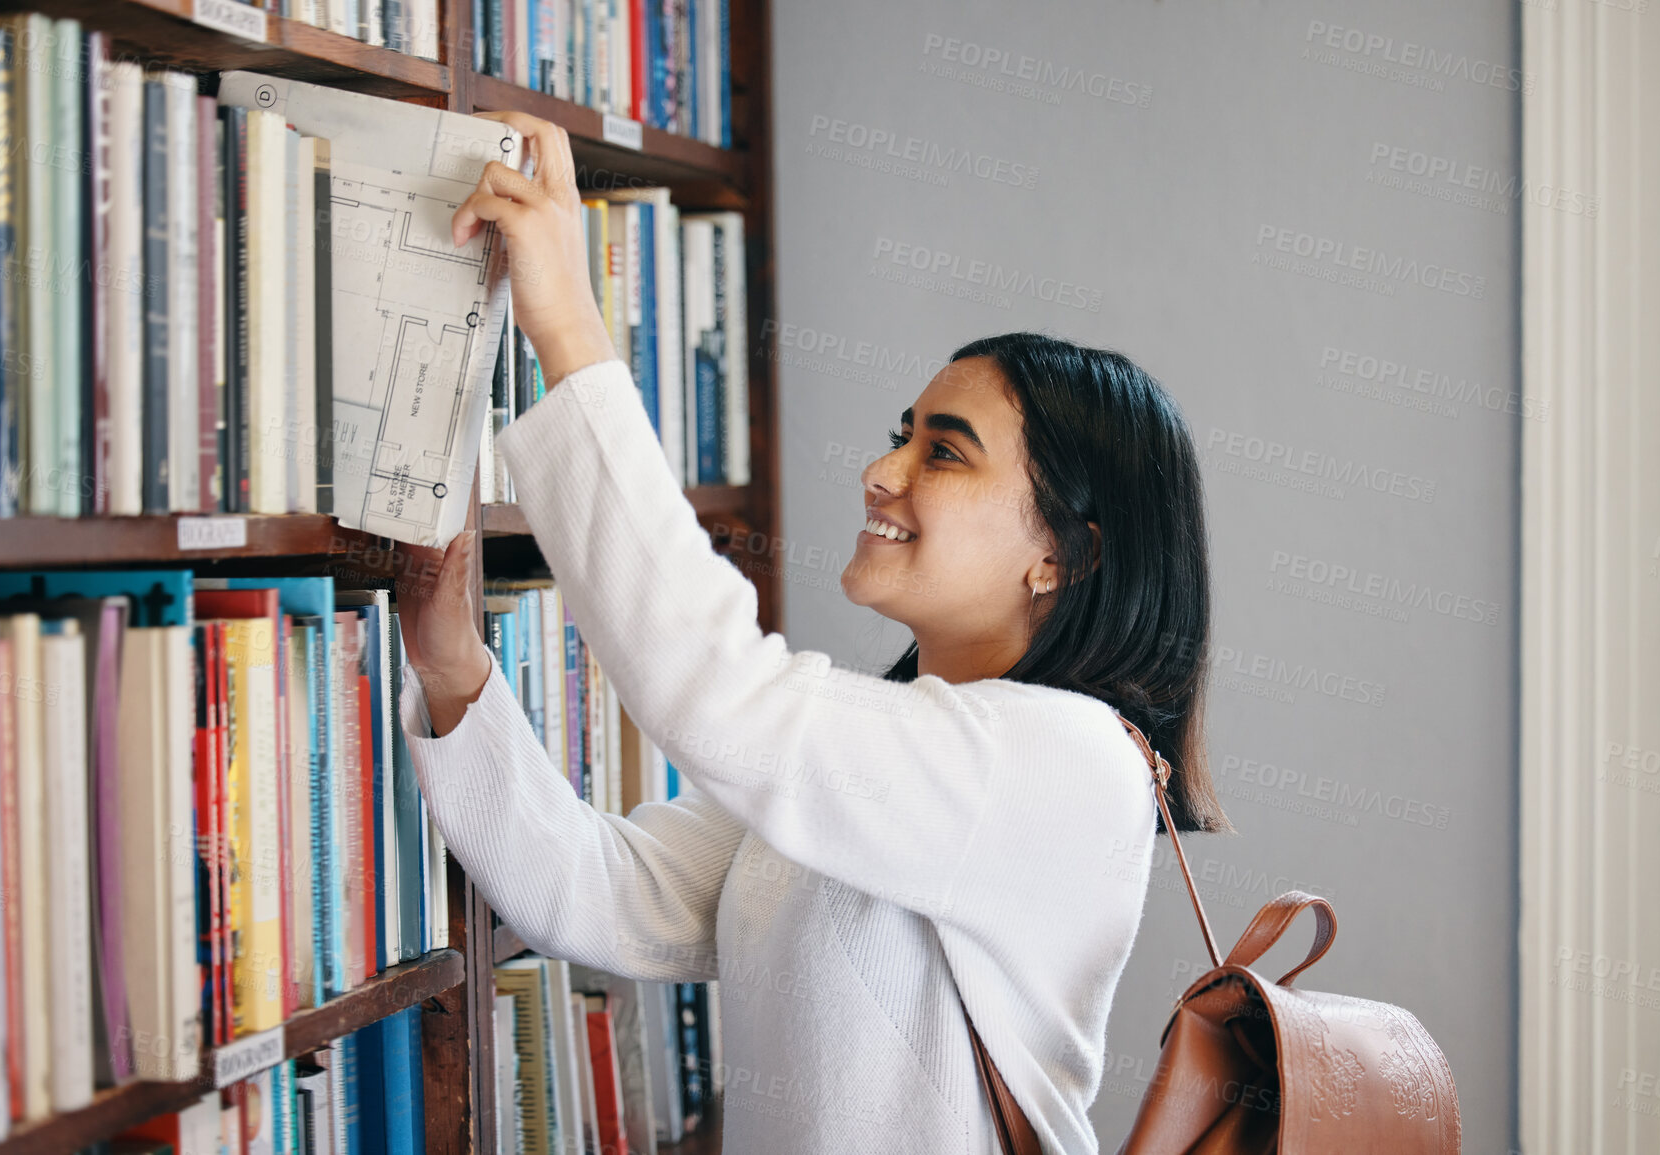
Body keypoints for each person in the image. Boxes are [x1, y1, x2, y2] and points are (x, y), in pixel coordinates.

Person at [395, 109, 1229, 1155]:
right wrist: (448, 662)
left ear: (1066, 555)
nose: (882, 473)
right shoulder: (893, 750)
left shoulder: (1066, 762)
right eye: (900, 438)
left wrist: (567, 325)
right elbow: (601, 894)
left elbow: (718, 694)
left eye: (947, 454)